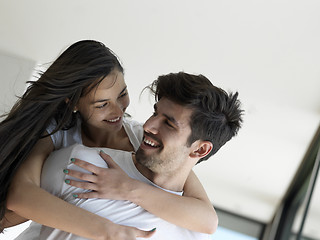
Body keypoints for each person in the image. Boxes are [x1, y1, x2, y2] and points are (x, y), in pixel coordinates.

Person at [0, 40, 217, 240]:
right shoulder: (56, 134)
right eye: (102, 104)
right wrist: (108, 231)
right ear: (73, 103)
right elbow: (20, 198)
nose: (118, 111)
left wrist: (127, 187)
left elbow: (207, 220)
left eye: (122, 94)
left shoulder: (142, 139)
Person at [34, 71, 243, 239]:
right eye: (154, 113)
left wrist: (128, 189)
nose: (149, 125)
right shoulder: (85, 165)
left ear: (199, 150)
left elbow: (209, 222)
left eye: (168, 123)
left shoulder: (192, 230)